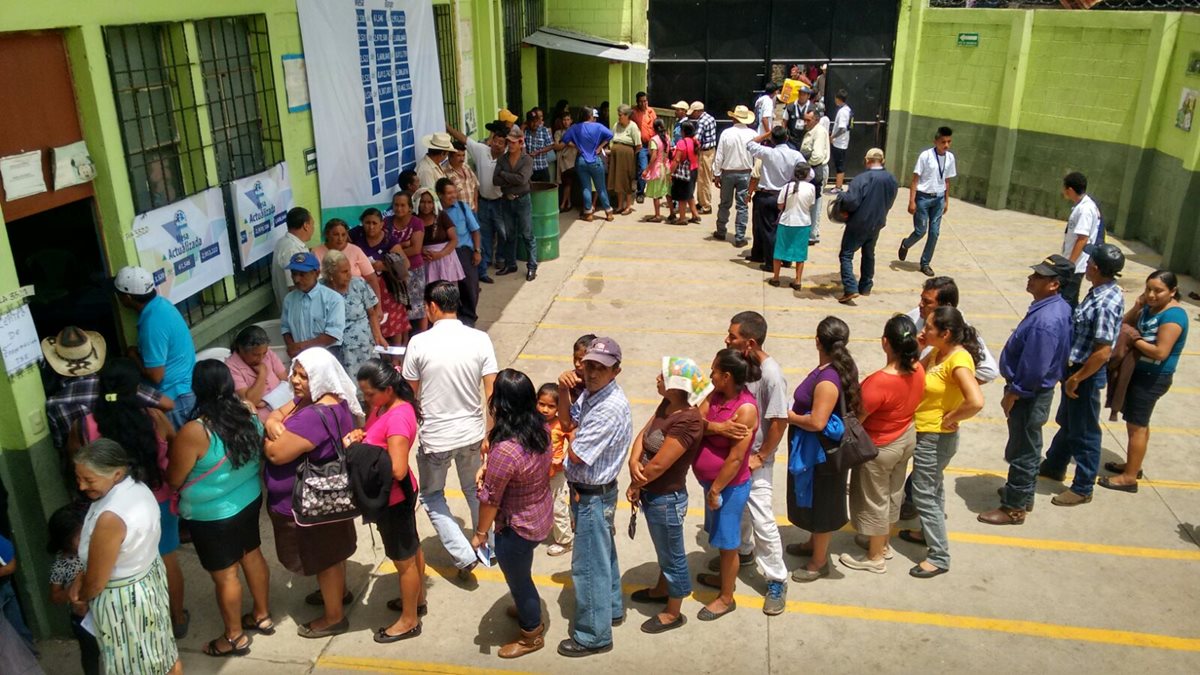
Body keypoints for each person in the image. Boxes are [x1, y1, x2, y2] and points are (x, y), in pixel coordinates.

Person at [68, 358, 188, 638]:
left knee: (121, 568)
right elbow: (175, 443)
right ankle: (178, 617)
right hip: (157, 499)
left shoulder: (83, 426)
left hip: (111, 510)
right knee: (166, 558)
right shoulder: (153, 417)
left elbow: (76, 458)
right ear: (135, 388)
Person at [167, 360, 272, 656]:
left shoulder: (195, 431)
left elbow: (174, 478)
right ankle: (262, 615)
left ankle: (234, 636)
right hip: (249, 499)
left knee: (226, 575)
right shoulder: (248, 412)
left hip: (211, 516)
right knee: (252, 554)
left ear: (196, 388)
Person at [263, 347, 362, 638]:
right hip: (328, 500)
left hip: (308, 505)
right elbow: (281, 411)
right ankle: (338, 593)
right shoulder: (330, 399)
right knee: (332, 552)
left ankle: (333, 618)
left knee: (324, 559)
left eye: (304, 376)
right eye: (294, 372)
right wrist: (272, 421)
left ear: (320, 377)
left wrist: (267, 435)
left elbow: (276, 454)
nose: (295, 380)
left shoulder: (312, 416)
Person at [403, 281, 498, 576]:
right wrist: (490, 433)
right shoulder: (480, 339)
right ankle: (487, 545)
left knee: (432, 496)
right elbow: (492, 393)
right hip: (472, 434)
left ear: (432, 306)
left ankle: (462, 554)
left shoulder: (418, 343)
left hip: (436, 439)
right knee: (474, 489)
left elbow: (408, 394)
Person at [70, 439, 181, 674]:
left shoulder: (110, 518)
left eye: (89, 480)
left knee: (131, 666)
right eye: (78, 478)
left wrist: (82, 597)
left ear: (117, 473)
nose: (81, 486)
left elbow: (96, 582)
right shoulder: (138, 488)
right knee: (163, 652)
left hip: (123, 601)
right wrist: (82, 573)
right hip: (148, 580)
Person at [978, 256, 1074, 524]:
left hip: (1029, 394)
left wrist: (1014, 392)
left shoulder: (1046, 321)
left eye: (1039, 276)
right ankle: (1023, 493)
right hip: (1032, 391)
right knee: (1028, 444)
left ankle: (1014, 508)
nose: (1031, 278)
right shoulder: (1055, 307)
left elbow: (1035, 367)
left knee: (1023, 450)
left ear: (1054, 284)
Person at [555, 337, 633, 657]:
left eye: (600, 367)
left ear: (616, 371)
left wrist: (568, 439)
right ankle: (611, 609)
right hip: (592, 494)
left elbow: (576, 454)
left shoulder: (609, 408)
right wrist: (563, 391)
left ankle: (593, 635)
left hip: (593, 498)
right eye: (588, 365)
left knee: (588, 567)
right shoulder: (592, 393)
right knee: (603, 557)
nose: (591, 372)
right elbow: (566, 421)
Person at [472, 369, 553, 658]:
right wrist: (488, 468)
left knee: (519, 582)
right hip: (540, 514)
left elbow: (490, 499)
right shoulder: (541, 427)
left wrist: (480, 533)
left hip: (517, 527)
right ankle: (524, 607)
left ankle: (531, 635)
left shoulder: (506, 450)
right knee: (523, 571)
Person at [900, 307, 985, 577]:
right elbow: (913, 371)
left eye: (929, 328)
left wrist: (952, 417)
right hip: (927, 432)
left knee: (924, 494)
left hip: (936, 437)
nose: (924, 330)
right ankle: (928, 534)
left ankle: (939, 556)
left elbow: (976, 401)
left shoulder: (958, 361)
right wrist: (919, 346)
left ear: (946, 333)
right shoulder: (939, 353)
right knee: (933, 489)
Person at [1039, 243, 1125, 506]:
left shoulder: (1105, 302)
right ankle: (1055, 465)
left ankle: (1083, 486)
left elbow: (1102, 351)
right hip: (1076, 369)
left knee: (1085, 431)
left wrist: (1077, 378)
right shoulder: (1099, 291)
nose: (1085, 265)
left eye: (1089, 262)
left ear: (1095, 267)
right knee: (1068, 420)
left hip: (1085, 374)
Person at [716, 312, 789, 614]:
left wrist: (761, 456)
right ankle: (744, 552)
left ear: (750, 343)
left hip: (756, 460)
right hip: (738, 457)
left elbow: (779, 420)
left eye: (732, 337)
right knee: (739, 511)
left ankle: (776, 579)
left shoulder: (772, 375)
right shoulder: (743, 366)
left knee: (762, 519)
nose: (726, 340)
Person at [626, 357, 707, 632]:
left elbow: (661, 464)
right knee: (665, 550)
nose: (657, 379)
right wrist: (633, 461)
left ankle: (674, 611)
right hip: (652, 492)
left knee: (673, 556)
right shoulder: (667, 405)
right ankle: (663, 589)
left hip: (666, 500)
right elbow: (645, 433)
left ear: (676, 385)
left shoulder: (688, 420)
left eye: (662, 376)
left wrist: (636, 484)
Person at [349, 359, 426, 643]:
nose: (367, 399)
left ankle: (409, 620)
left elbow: (398, 469)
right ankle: (417, 600)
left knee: (403, 560)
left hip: (395, 499)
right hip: (398, 496)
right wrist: (363, 437)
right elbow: (376, 439)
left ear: (388, 389)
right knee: (412, 548)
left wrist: (356, 451)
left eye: (370, 394)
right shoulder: (383, 407)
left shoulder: (397, 418)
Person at [840, 315, 924, 573]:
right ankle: (883, 543)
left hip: (881, 446)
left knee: (875, 499)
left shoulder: (879, 382)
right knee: (893, 493)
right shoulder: (918, 369)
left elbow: (858, 419)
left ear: (885, 342)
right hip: (905, 437)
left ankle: (875, 557)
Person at [1101, 270, 1189, 493]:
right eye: (1148, 289)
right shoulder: (1149, 307)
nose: (1151, 295)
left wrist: (1134, 339)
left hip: (1152, 378)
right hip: (1139, 373)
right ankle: (1133, 465)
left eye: (1158, 291)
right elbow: (1124, 323)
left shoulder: (1173, 317)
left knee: (1136, 427)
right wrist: (1137, 306)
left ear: (1172, 292)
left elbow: (1160, 352)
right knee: (1138, 423)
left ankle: (1129, 478)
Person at [785, 317, 859, 582]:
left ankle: (819, 562)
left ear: (817, 341)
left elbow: (817, 422)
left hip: (820, 454)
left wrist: (789, 417)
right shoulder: (835, 367)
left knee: (822, 502)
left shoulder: (828, 379)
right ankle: (812, 543)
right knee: (813, 499)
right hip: (814, 450)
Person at [695, 349, 760, 621]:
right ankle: (725, 580)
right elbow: (696, 422)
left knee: (728, 543)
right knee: (721, 539)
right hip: (712, 484)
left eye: (714, 371)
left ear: (727, 376)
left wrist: (716, 490)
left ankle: (726, 597)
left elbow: (735, 458)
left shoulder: (745, 410)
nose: (710, 375)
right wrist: (718, 428)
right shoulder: (715, 395)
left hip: (728, 488)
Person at [43, 325, 172, 453]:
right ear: (92, 355)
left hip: (92, 463)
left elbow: (62, 447)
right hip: (135, 452)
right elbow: (168, 404)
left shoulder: (54, 404)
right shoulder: (115, 382)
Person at [114, 265, 197, 427]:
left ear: (128, 298)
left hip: (175, 398)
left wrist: (133, 355)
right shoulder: (161, 305)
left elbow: (156, 376)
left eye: (119, 295)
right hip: (184, 389)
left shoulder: (152, 324)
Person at [835, 147, 897, 303]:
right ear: (882, 161)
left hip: (859, 222)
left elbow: (851, 201)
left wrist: (841, 197)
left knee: (846, 254)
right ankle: (865, 286)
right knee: (869, 253)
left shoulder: (861, 179)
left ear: (867, 160)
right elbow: (890, 201)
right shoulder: (891, 179)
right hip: (877, 222)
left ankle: (850, 288)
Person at [447, 121, 507, 281]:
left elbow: (474, 185)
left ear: (505, 145)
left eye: (501, 143)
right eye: (495, 141)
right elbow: (464, 138)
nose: (497, 144)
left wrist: (474, 203)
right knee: (483, 235)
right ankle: (484, 265)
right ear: (491, 140)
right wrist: (447, 127)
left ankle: (500, 258)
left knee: (503, 232)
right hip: (482, 202)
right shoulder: (481, 150)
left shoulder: (507, 157)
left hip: (499, 201)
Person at [45, 505, 100, 675]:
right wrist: (71, 591)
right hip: (83, 618)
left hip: (105, 609)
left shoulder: (97, 550)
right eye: (80, 538)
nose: (87, 540)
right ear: (64, 541)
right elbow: (55, 596)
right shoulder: (61, 564)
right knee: (90, 653)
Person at [899, 127, 957, 277]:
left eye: (949, 142)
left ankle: (925, 263)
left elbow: (947, 180)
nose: (946, 145)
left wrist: (946, 200)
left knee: (934, 233)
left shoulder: (950, 158)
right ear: (935, 141)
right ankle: (906, 244)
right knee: (921, 231)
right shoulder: (926, 156)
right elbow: (915, 180)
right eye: (943, 142)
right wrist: (912, 201)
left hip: (939, 199)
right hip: (923, 198)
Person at [321, 249, 387, 381]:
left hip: (364, 344)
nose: (349, 275)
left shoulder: (358, 283)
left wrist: (378, 337)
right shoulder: (320, 290)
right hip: (336, 347)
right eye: (344, 272)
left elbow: (371, 313)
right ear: (331, 274)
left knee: (371, 380)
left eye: (349, 270)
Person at [746, 127, 804, 268]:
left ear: (772, 139)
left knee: (768, 231)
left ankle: (771, 263)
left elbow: (749, 144)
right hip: (786, 195)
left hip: (768, 195)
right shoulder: (795, 155)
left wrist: (766, 134)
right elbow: (808, 172)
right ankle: (786, 259)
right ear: (787, 138)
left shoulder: (767, 153)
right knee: (785, 229)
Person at [356, 201, 413, 342]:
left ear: (381, 224)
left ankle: (396, 353)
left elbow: (405, 264)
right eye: (367, 223)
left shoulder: (389, 240)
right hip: (365, 288)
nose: (371, 227)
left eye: (374, 223)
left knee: (394, 323)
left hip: (388, 288)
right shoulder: (357, 237)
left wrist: (383, 266)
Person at [280, 252, 346, 362]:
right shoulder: (289, 299)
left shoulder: (333, 299)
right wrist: (291, 346)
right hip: (300, 357)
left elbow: (333, 334)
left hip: (327, 355)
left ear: (317, 273)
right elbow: (285, 328)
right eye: (294, 274)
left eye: (302, 274)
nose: (296, 279)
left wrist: (301, 346)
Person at [436, 178, 484, 323]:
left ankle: (469, 317)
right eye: (449, 193)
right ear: (440, 195)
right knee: (448, 288)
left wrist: (477, 251)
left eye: (454, 192)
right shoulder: (436, 211)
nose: (453, 196)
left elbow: (475, 230)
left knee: (470, 286)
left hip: (463, 252)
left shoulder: (462, 207)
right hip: (445, 254)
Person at [494, 127, 538, 281]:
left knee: (527, 234)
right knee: (509, 235)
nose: (510, 145)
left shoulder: (527, 159)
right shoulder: (502, 159)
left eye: (513, 142)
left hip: (522, 199)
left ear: (520, 143)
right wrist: (512, 179)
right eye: (509, 142)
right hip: (507, 199)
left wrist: (504, 174)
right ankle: (511, 264)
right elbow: (495, 180)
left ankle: (532, 266)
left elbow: (522, 179)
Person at [712, 105, 757, 246]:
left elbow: (719, 155)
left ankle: (721, 230)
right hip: (745, 173)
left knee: (724, 203)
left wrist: (717, 173)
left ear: (733, 118)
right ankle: (740, 236)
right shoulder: (753, 134)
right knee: (742, 206)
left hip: (728, 173)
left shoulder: (726, 133)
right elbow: (757, 156)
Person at [560, 106, 615, 221]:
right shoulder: (598, 126)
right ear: (590, 116)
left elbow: (565, 139)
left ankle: (588, 213)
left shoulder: (575, 127)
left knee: (586, 187)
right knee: (601, 188)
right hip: (595, 160)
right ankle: (609, 212)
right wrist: (600, 147)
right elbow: (610, 134)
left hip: (581, 160)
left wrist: (577, 146)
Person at [538, 383, 574, 556]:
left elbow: (574, 440)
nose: (545, 409)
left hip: (556, 473)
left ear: (559, 408)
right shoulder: (533, 422)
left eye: (551, 406)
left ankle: (565, 541)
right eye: (541, 404)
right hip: (538, 472)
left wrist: (563, 457)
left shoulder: (561, 424)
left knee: (558, 506)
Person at [769, 160, 816, 289]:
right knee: (800, 253)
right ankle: (798, 280)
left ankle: (776, 278)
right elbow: (811, 204)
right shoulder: (811, 188)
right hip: (803, 223)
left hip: (786, 222)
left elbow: (780, 205)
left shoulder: (787, 187)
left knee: (779, 251)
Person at [1059, 171, 1104, 307]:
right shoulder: (1081, 206)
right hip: (1073, 262)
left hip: (1076, 264)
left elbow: (1082, 239)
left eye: (1064, 188)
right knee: (1068, 298)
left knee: (1067, 300)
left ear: (1070, 190)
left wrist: (1070, 264)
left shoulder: (1085, 209)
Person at [312, 218, 383, 301]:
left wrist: (378, 305)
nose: (340, 238)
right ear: (327, 234)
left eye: (343, 235)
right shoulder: (316, 252)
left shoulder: (355, 251)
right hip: (326, 301)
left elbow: (371, 279)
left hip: (356, 302)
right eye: (336, 234)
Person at [419, 187, 466, 286]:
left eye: (429, 202)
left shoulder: (441, 216)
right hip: (426, 260)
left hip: (445, 259)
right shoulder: (414, 219)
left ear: (434, 203)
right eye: (422, 202)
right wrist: (421, 250)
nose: (426, 206)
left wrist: (440, 254)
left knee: (447, 291)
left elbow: (454, 240)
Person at [797, 110, 830, 245]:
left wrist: (803, 163)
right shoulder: (810, 131)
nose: (805, 123)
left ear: (816, 120)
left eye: (808, 120)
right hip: (809, 169)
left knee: (816, 201)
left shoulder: (819, 132)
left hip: (816, 168)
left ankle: (812, 234)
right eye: (804, 120)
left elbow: (817, 156)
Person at [272, 206, 314, 309]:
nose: (313, 229)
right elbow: (294, 286)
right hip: (298, 309)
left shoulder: (284, 242)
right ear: (306, 226)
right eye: (312, 224)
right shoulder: (292, 250)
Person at [0, 531, 32, 651]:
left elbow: (11, 567)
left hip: (4, 587)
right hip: (5, 585)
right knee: (17, 625)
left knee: (15, 626)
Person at [640, 118, 673, 223]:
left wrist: (647, 169)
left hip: (657, 169)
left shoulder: (654, 140)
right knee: (668, 192)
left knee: (656, 194)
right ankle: (672, 213)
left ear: (654, 128)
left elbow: (654, 156)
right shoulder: (667, 137)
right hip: (666, 167)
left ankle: (657, 215)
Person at [609, 104, 640, 216]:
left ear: (627, 115)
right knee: (618, 179)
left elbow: (638, 145)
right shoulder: (616, 125)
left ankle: (628, 206)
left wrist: (630, 154)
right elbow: (611, 139)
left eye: (620, 115)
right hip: (616, 155)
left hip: (627, 156)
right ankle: (620, 205)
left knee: (626, 180)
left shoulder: (633, 126)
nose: (619, 117)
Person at [669, 121, 701, 225]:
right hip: (694, 170)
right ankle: (695, 214)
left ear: (683, 131)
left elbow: (677, 159)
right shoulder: (695, 141)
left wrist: (670, 173)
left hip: (684, 172)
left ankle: (682, 218)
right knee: (689, 193)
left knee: (682, 196)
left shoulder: (682, 143)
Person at [689, 101, 718, 214]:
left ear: (698, 111)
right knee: (704, 178)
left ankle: (706, 205)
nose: (692, 115)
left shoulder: (702, 122)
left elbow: (696, 138)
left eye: (693, 112)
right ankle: (701, 202)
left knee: (703, 180)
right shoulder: (710, 118)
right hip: (710, 151)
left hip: (704, 153)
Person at [630, 92, 656, 203]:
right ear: (637, 102)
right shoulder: (633, 112)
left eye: (645, 101)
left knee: (656, 168)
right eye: (641, 101)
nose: (643, 103)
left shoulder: (651, 111)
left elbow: (656, 125)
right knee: (643, 168)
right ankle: (640, 193)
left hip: (653, 144)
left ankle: (656, 192)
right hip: (642, 145)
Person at [554, 110, 579, 212]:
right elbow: (556, 146)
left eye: (568, 119)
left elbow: (577, 145)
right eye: (564, 120)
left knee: (568, 182)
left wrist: (565, 142)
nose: (566, 122)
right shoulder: (558, 132)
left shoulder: (575, 131)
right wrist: (567, 142)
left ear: (571, 120)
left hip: (572, 161)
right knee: (566, 183)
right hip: (562, 161)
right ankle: (568, 203)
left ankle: (563, 204)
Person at [446, 141, 480, 212]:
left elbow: (475, 186)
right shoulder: (445, 172)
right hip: (458, 212)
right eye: (458, 156)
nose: (462, 159)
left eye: (463, 155)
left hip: (472, 210)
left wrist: (476, 204)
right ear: (450, 156)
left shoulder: (466, 167)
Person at [830, 89, 852, 193]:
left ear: (838, 99)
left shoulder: (843, 112)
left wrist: (833, 137)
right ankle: (838, 185)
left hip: (840, 143)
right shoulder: (847, 109)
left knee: (839, 164)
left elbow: (842, 129)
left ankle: (838, 187)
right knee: (839, 163)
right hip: (842, 142)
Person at [524, 110, 555, 183]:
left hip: (542, 167)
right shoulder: (525, 132)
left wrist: (539, 151)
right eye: (532, 122)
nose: (535, 124)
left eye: (536, 121)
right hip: (529, 169)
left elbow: (551, 145)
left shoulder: (544, 130)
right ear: (528, 122)